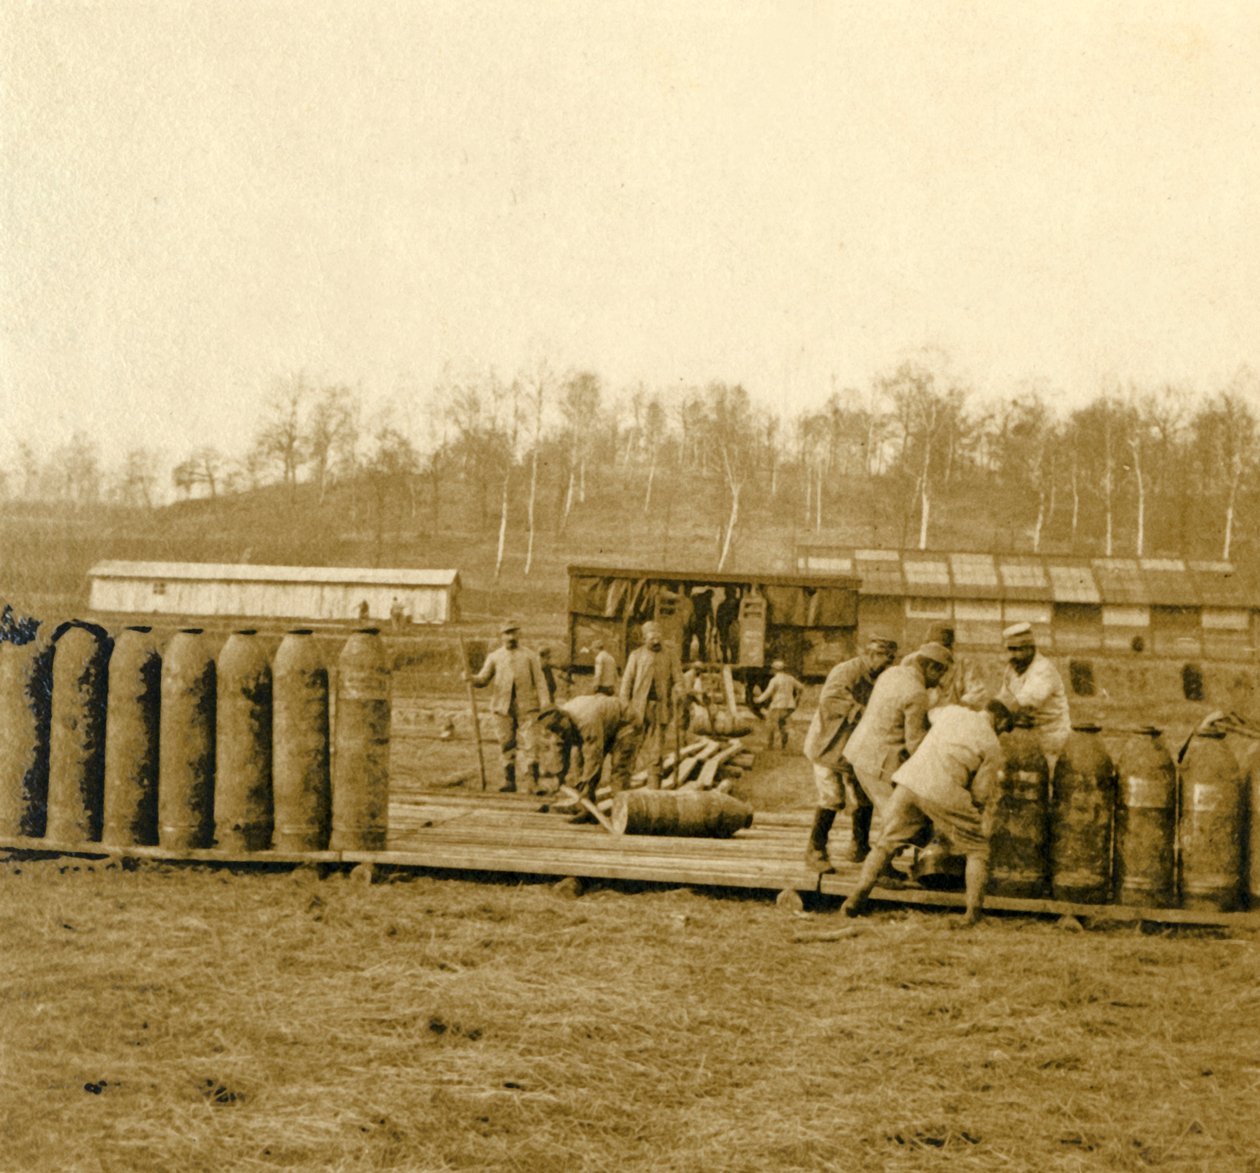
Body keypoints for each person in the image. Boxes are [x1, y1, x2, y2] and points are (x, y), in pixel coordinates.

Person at [841, 700, 1016, 927]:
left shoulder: (952, 711)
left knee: (884, 844)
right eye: (1002, 729)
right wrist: (967, 819)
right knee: (978, 849)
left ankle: (856, 896)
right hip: (944, 789)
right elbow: (980, 794)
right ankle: (973, 914)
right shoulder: (992, 744)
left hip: (909, 780)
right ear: (1000, 721)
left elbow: (929, 714)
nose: (1000, 733)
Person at [842, 641, 953, 860]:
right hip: (878, 762)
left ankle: (860, 852)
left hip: (858, 752)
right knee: (898, 817)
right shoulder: (917, 693)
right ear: (931, 667)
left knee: (884, 811)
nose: (939, 681)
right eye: (940, 674)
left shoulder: (892, 673)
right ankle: (882, 869)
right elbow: (915, 744)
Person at [801, 635, 898, 872]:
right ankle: (815, 849)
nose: (888, 665)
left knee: (863, 796)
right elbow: (831, 698)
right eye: (886, 659)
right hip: (828, 743)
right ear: (872, 654)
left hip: (854, 746)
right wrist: (860, 712)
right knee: (832, 797)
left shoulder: (880, 678)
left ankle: (860, 847)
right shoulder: (846, 671)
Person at [467, 621, 551, 793]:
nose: (511, 637)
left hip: (527, 706)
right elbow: (483, 680)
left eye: (514, 633)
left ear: (519, 635)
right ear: (501, 636)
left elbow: (541, 682)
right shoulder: (495, 657)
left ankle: (533, 783)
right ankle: (509, 781)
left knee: (531, 744)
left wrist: (545, 703)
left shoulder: (530, 656)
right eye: (507, 634)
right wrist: (470, 678)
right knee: (506, 743)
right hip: (502, 707)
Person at [536, 695, 638, 809]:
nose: (560, 734)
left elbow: (593, 757)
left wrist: (587, 783)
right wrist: (559, 777)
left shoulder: (586, 721)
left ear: (565, 719)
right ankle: (585, 806)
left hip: (625, 722)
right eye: (556, 731)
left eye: (561, 730)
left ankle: (621, 810)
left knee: (619, 769)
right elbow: (561, 751)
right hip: (603, 723)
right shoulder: (561, 723)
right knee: (579, 762)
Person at [619, 620, 684, 788]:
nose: (655, 642)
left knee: (656, 749)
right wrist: (625, 707)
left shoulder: (670, 655)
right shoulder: (636, 656)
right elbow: (626, 685)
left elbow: (679, 680)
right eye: (651, 639)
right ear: (644, 639)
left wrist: (679, 690)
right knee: (632, 745)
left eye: (658, 639)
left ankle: (653, 786)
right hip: (638, 709)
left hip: (660, 708)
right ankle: (624, 783)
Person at [995, 622, 1070, 764]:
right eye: (1010, 649)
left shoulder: (1043, 670)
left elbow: (1022, 705)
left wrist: (992, 721)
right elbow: (1003, 699)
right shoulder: (1012, 668)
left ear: (1030, 648)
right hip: (1027, 736)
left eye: (1018, 650)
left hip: (1051, 740)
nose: (1012, 655)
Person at [921, 620, 986, 710]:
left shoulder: (964, 665)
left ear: (951, 647)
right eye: (934, 648)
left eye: (945, 647)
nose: (940, 652)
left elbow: (978, 693)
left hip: (956, 715)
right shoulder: (921, 665)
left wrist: (958, 706)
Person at [753, 658, 804, 750]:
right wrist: (797, 699)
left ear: (775, 669)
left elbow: (768, 693)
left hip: (777, 706)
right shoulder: (790, 678)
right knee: (783, 724)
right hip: (789, 706)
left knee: (771, 724)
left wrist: (758, 700)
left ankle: (770, 746)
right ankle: (783, 745)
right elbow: (801, 687)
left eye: (772, 669)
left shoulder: (774, 680)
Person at [715, 587, 742, 663]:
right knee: (725, 643)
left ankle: (732, 658)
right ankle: (726, 657)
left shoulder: (738, 603)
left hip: (732, 624)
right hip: (725, 625)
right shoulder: (723, 604)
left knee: (733, 643)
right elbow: (718, 617)